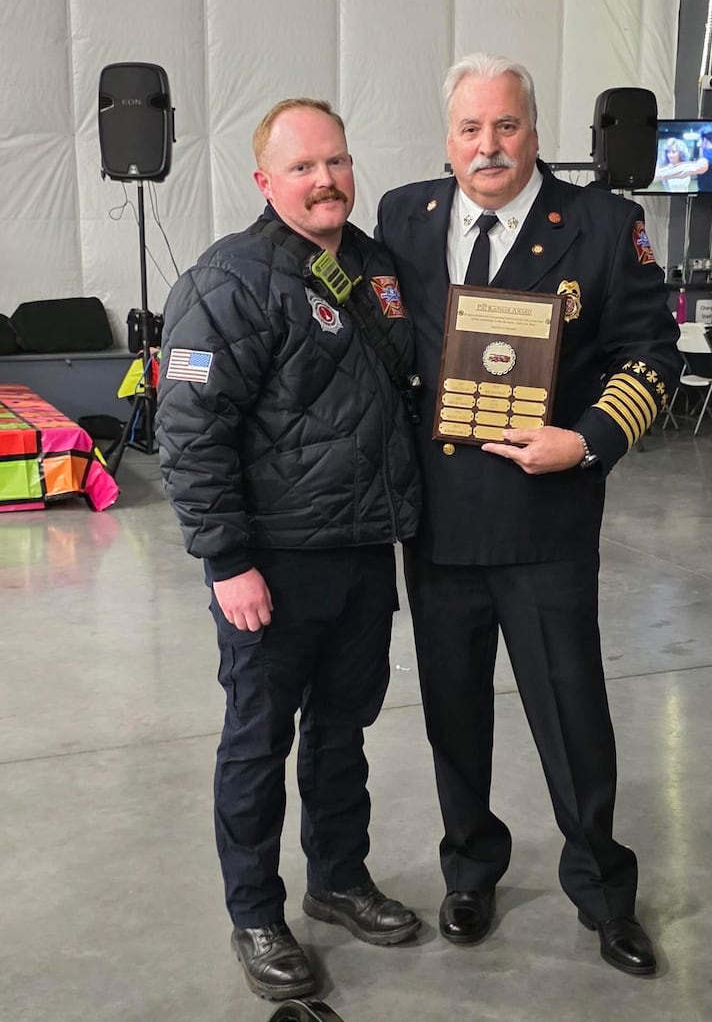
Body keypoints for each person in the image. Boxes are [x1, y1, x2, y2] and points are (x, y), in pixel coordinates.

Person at [375, 53, 681, 976]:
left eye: (506, 126)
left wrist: (585, 440)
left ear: (536, 131)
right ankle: (469, 869)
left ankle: (602, 890)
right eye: (470, 128)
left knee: (571, 713)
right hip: (438, 522)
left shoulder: (603, 225)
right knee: (453, 712)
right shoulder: (404, 216)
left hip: (545, 518)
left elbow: (653, 357)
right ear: (448, 139)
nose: (489, 145)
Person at [156, 98, 423, 1003]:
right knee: (258, 740)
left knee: (343, 732)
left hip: (360, 554)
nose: (326, 180)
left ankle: (339, 878)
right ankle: (256, 911)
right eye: (304, 167)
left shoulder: (377, 268)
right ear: (265, 182)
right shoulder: (225, 280)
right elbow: (190, 432)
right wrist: (227, 560)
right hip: (270, 566)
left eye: (338, 162)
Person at [668, 125, 712, 192]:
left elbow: (685, 171)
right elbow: (694, 164)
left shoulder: (706, 160)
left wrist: (662, 175)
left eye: (699, 140)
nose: (698, 144)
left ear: (705, 140)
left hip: (703, 197)